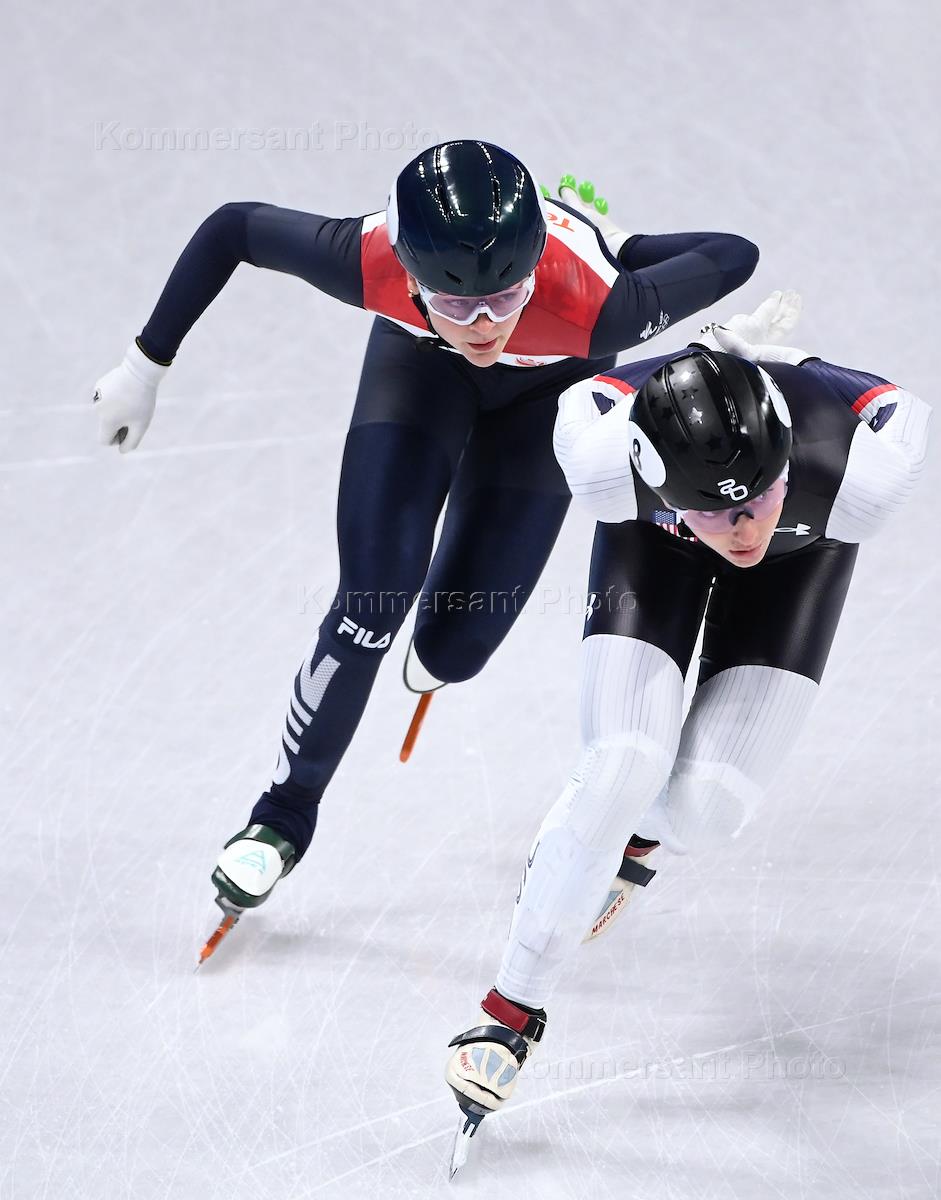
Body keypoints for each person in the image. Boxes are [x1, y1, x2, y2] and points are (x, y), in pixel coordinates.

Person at [91, 140, 759, 948]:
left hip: (547, 388)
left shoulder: (600, 305)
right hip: (419, 370)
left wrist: (614, 248)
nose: (484, 325)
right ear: (408, 275)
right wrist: (143, 366)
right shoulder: (367, 258)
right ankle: (279, 818)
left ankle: (441, 640)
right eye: (455, 301)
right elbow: (235, 227)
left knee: (454, 649)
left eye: (504, 296)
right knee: (372, 598)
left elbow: (734, 252)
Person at [444, 293, 931, 1155]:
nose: (742, 528)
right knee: (620, 764)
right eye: (713, 510)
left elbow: (897, 403)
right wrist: (692, 360)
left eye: (759, 498)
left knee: (704, 813)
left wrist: (791, 367)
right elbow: (589, 393)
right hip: (653, 545)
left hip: (805, 556)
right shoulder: (605, 465)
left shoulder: (858, 476)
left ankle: (632, 841)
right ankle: (509, 1011)